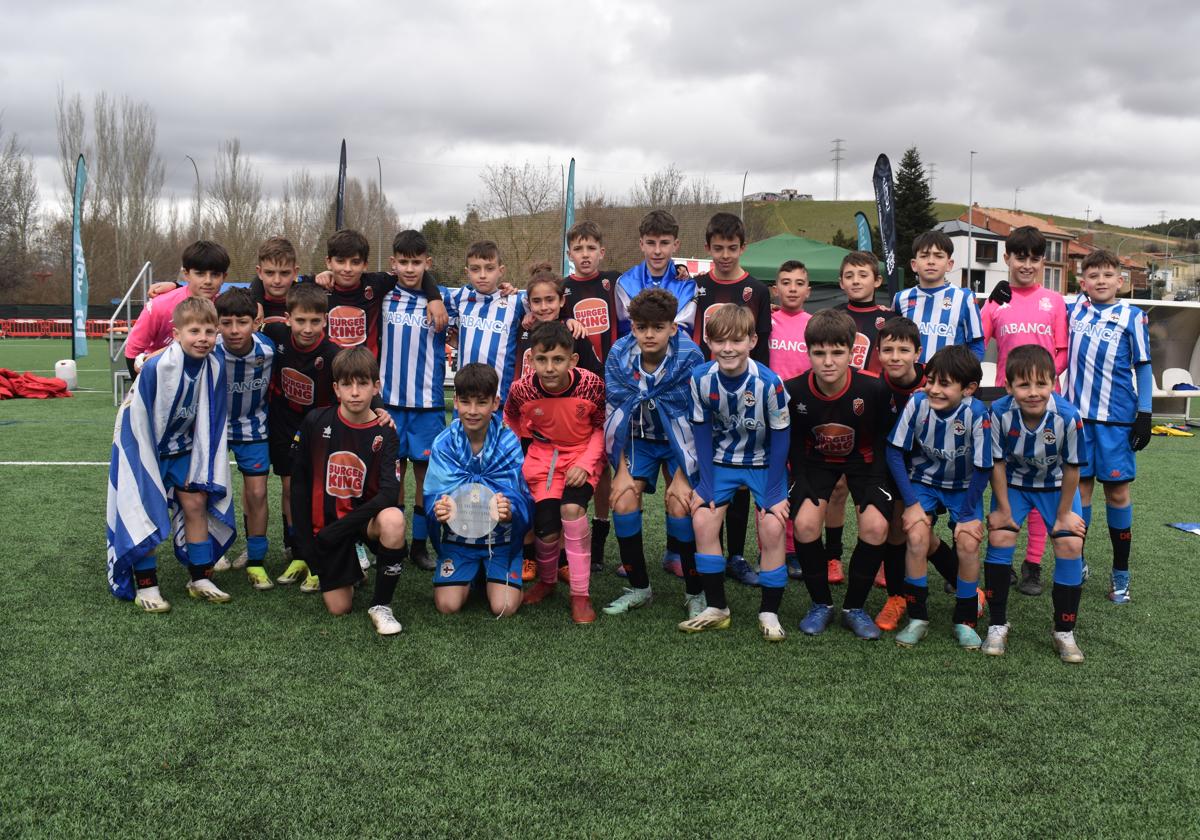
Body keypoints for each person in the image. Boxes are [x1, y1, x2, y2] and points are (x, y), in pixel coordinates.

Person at [105, 296, 236, 611]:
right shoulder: (157, 366)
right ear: (176, 333)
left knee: (196, 502)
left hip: (182, 448)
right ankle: (147, 586)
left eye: (208, 331)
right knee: (145, 509)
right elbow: (137, 417)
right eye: (193, 331)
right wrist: (146, 459)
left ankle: (199, 577)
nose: (202, 338)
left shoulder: (215, 365)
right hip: (143, 447)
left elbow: (212, 418)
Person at [678, 305, 790, 640]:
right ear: (708, 342)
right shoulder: (700, 378)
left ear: (752, 341)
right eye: (720, 340)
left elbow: (782, 436)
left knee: (772, 526)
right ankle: (717, 607)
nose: (728, 348)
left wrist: (772, 493)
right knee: (702, 520)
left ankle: (769, 611)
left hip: (763, 463)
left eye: (737, 340)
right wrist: (708, 484)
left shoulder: (769, 383)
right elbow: (700, 431)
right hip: (722, 462)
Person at [785, 309, 895, 640]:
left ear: (852, 352)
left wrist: (878, 481)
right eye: (819, 353)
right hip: (815, 463)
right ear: (808, 353)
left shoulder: (874, 389)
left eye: (837, 352)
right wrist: (799, 480)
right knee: (804, 524)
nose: (828, 361)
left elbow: (883, 439)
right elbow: (793, 444)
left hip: (865, 464)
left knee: (876, 526)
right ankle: (821, 604)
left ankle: (854, 608)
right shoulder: (794, 391)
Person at [289, 347, 409, 635]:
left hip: (363, 522)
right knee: (339, 608)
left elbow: (390, 493)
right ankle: (352, 571)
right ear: (336, 388)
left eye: (363, 384)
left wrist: (343, 528)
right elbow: (300, 484)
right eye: (347, 384)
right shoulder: (316, 422)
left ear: (375, 387)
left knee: (393, 519)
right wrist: (305, 544)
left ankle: (381, 606)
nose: (355, 392)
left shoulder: (386, 431)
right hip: (328, 526)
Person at [602, 288, 705, 617]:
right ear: (632, 327)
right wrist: (618, 471)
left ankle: (695, 591)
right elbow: (614, 411)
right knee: (623, 497)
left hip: (682, 438)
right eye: (642, 326)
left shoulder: (690, 356)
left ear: (673, 328)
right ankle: (639, 587)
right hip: (639, 438)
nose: (649, 334)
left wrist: (681, 476)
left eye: (658, 327)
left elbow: (699, 417)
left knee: (680, 502)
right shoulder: (619, 353)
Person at [980, 226, 1070, 597]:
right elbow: (976, 343)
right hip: (1004, 404)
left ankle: (1033, 564)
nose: (1027, 265)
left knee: (1043, 479)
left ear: (1042, 261)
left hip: (1047, 404)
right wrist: (986, 303)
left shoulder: (1055, 301)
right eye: (1020, 257)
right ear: (1007, 259)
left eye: (1034, 257)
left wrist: (1040, 384)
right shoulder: (996, 301)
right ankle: (1003, 558)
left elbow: (1062, 352)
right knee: (1002, 477)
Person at [984, 344, 1088, 663]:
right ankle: (997, 624)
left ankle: (1064, 631)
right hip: (1014, 485)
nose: (1033, 392)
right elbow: (997, 464)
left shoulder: (1068, 417)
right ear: (1008, 386)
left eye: (1041, 384)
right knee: (1000, 536)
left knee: (1070, 545)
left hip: (1057, 487)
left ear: (1053, 383)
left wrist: (1065, 514)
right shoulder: (999, 412)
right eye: (1023, 384)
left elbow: (1073, 467)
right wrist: (1002, 508)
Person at [887, 346, 992, 649]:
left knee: (969, 542)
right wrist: (911, 503)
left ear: (968, 389)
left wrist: (969, 513)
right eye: (930, 380)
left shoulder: (976, 413)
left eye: (944, 384)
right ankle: (918, 618)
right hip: (923, 481)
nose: (933, 389)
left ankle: (965, 619)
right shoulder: (917, 403)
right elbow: (894, 451)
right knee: (917, 536)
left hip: (964, 486)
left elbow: (984, 467)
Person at [690, 212, 774, 588]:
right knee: (706, 470)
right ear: (707, 248)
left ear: (743, 248)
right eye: (718, 248)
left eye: (733, 248)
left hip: (746, 396)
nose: (725, 255)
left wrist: (760, 395)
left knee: (741, 476)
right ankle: (701, 549)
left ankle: (737, 556)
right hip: (704, 393)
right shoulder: (693, 286)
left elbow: (764, 346)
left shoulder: (756, 290)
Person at [505, 322, 607, 624]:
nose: (549, 368)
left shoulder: (592, 385)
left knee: (572, 510)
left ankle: (580, 596)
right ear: (531, 359)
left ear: (572, 361)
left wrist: (586, 463)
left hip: (581, 455)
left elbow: (601, 428)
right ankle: (547, 582)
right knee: (545, 528)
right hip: (542, 459)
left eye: (558, 360)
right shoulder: (521, 390)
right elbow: (510, 419)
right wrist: (521, 454)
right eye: (541, 360)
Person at [1065, 249, 1153, 604]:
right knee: (1079, 493)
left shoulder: (1132, 316)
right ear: (1082, 281)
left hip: (1117, 421)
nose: (1100, 281)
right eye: (1093, 275)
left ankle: (1121, 574)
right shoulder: (1072, 312)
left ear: (1121, 281)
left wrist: (1144, 414)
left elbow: (1144, 367)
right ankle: (1080, 561)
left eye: (1107, 275)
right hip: (1078, 420)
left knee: (1117, 494)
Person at [424, 364, 533, 617]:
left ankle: (491, 571)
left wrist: (510, 510)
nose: (472, 411)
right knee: (447, 606)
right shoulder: (444, 443)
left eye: (481, 403)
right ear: (456, 402)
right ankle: (472, 574)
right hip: (459, 540)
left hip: (500, 540)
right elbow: (433, 494)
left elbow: (521, 497)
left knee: (503, 608)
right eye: (465, 402)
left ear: (495, 403)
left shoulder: (509, 441)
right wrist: (439, 508)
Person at [378, 230, 454, 574]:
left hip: (428, 405)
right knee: (393, 479)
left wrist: (434, 294)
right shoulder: (381, 294)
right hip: (389, 404)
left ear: (428, 262)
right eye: (404, 262)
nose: (410, 269)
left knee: (426, 480)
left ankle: (420, 547)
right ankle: (394, 541)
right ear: (393, 263)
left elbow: (484, 296)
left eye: (417, 262)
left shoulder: (444, 299)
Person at [263, 283, 343, 592]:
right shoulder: (274, 336)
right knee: (288, 487)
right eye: (300, 321)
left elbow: (353, 381)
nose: (307, 328)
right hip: (284, 421)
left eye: (315, 321)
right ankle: (298, 552)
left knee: (318, 491)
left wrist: (379, 411)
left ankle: (319, 557)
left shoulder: (333, 353)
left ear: (325, 320)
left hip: (319, 427)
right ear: (287, 318)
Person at [562, 221, 619, 570]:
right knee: (579, 455)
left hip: (613, 382)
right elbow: (536, 306)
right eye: (578, 249)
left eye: (590, 248)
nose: (585, 255)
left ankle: (600, 536)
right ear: (570, 254)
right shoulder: (563, 288)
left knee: (607, 461)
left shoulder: (615, 281)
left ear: (601, 251)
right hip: (576, 388)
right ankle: (571, 532)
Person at [210, 288, 275, 589]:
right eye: (227, 322)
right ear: (217, 323)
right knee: (208, 492)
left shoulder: (269, 350)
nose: (234, 330)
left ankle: (257, 560)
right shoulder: (209, 349)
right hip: (214, 430)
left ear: (255, 322)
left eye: (242, 322)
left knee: (258, 494)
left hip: (253, 428)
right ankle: (212, 551)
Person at [124, 241, 230, 376]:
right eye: (200, 274)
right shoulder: (160, 305)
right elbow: (133, 349)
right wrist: (142, 387)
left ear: (224, 277)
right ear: (186, 274)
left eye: (215, 274)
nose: (208, 281)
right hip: (161, 380)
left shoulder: (225, 307)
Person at [768, 260, 812, 580]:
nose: (792, 288)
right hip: (768, 415)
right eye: (786, 282)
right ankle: (770, 546)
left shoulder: (815, 324)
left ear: (808, 290)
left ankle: (795, 550)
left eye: (799, 283)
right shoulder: (766, 323)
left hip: (803, 414)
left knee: (799, 482)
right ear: (775, 289)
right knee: (772, 481)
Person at [443, 241, 528, 404]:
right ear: (467, 272)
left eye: (489, 268)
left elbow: (545, 306)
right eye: (475, 269)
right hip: (465, 398)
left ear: (500, 271)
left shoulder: (515, 301)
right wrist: (457, 340)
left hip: (500, 398)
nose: (482, 275)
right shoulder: (459, 297)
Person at [892, 230, 984, 363]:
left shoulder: (965, 297)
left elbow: (977, 345)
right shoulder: (900, 299)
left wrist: (963, 373)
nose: (931, 261)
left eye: (938, 256)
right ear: (914, 264)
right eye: (924, 256)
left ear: (949, 264)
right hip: (910, 381)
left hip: (949, 380)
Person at [615, 209, 696, 337]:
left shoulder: (687, 286)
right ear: (641, 244)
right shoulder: (625, 283)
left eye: (664, 243)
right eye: (651, 243)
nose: (657, 251)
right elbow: (626, 332)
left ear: (675, 245)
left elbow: (683, 332)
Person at [834, 251, 895, 374]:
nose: (855, 281)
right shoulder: (832, 316)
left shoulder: (891, 320)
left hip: (877, 390)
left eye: (863, 275)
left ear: (877, 281)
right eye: (849, 276)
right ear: (841, 283)